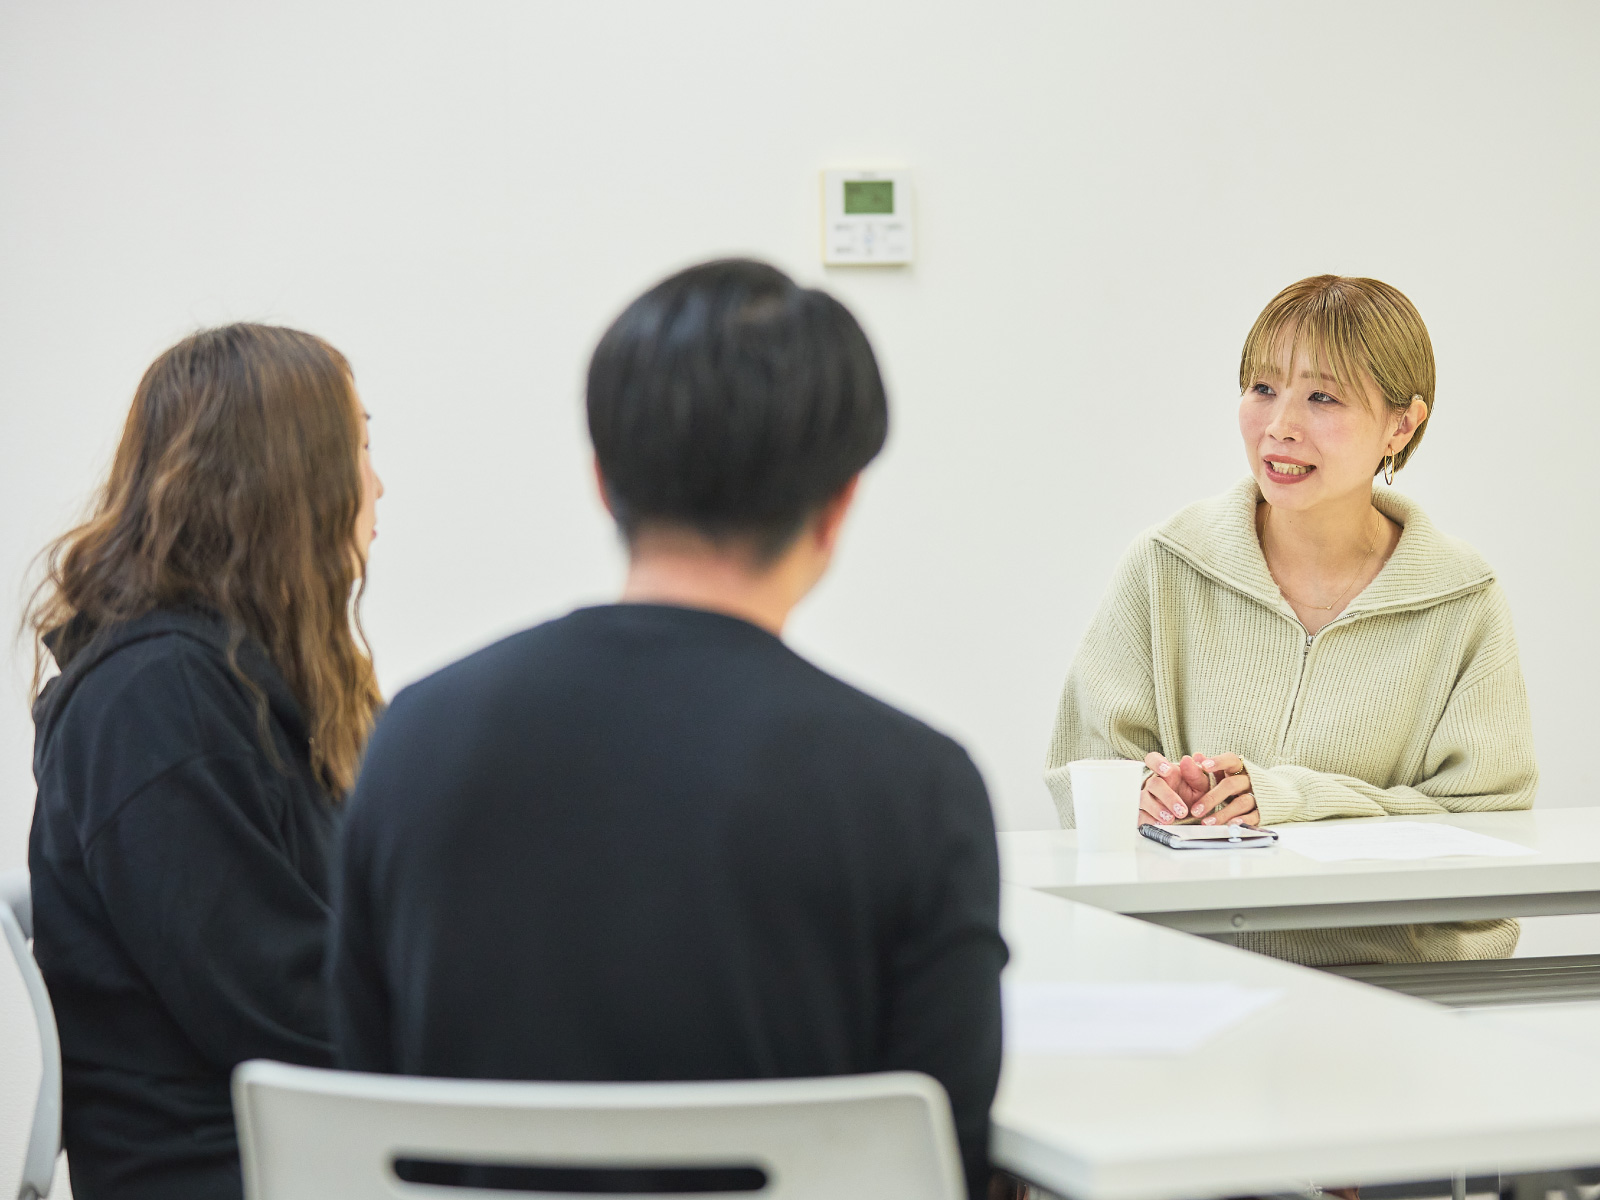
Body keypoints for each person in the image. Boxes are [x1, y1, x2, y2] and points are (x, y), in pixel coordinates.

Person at [328, 259, 1009, 1200]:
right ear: (840, 502)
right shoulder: (918, 789)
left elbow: (359, 1104)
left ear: (605, 480)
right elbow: (944, 1172)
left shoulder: (414, 740)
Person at [1045, 275, 1537, 966]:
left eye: (1323, 397)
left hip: (1395, 997)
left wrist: (1286, 799)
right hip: (1182, 982)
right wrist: (1140, 795)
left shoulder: (1463, 599)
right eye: (1263, 389)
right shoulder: (1165, 565)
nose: (1280, 426)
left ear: (1402, 424)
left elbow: (1491, 829)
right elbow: (1081, 769)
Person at [27, 324, 385, 1200]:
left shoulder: (224, 682)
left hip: (309, 1154)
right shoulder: (159, 702)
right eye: (359, 449)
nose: (377, 485)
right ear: (288, 478)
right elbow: (283, 1010)